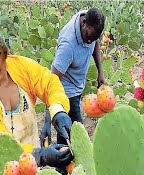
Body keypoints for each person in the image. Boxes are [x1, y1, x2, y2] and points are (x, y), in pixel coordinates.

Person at [0, 26, 73, 175]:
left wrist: (58, 111)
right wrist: (40, 156)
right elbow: (0, 146)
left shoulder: (21, 67)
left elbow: (48, 83)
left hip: (30, 165)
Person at [43, 7, 105, 145]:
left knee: (66, 135)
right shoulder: (68, 46)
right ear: (83, 24)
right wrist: (47, 121)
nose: (90, 42)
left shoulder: (89, 22)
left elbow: (95, 42)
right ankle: (64, 165)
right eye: (89, 38)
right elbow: (51, 82)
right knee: (77, 134)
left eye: (93, 39)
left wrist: (100, 72)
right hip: (66, 93)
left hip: (77, 86)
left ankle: (63, 162)